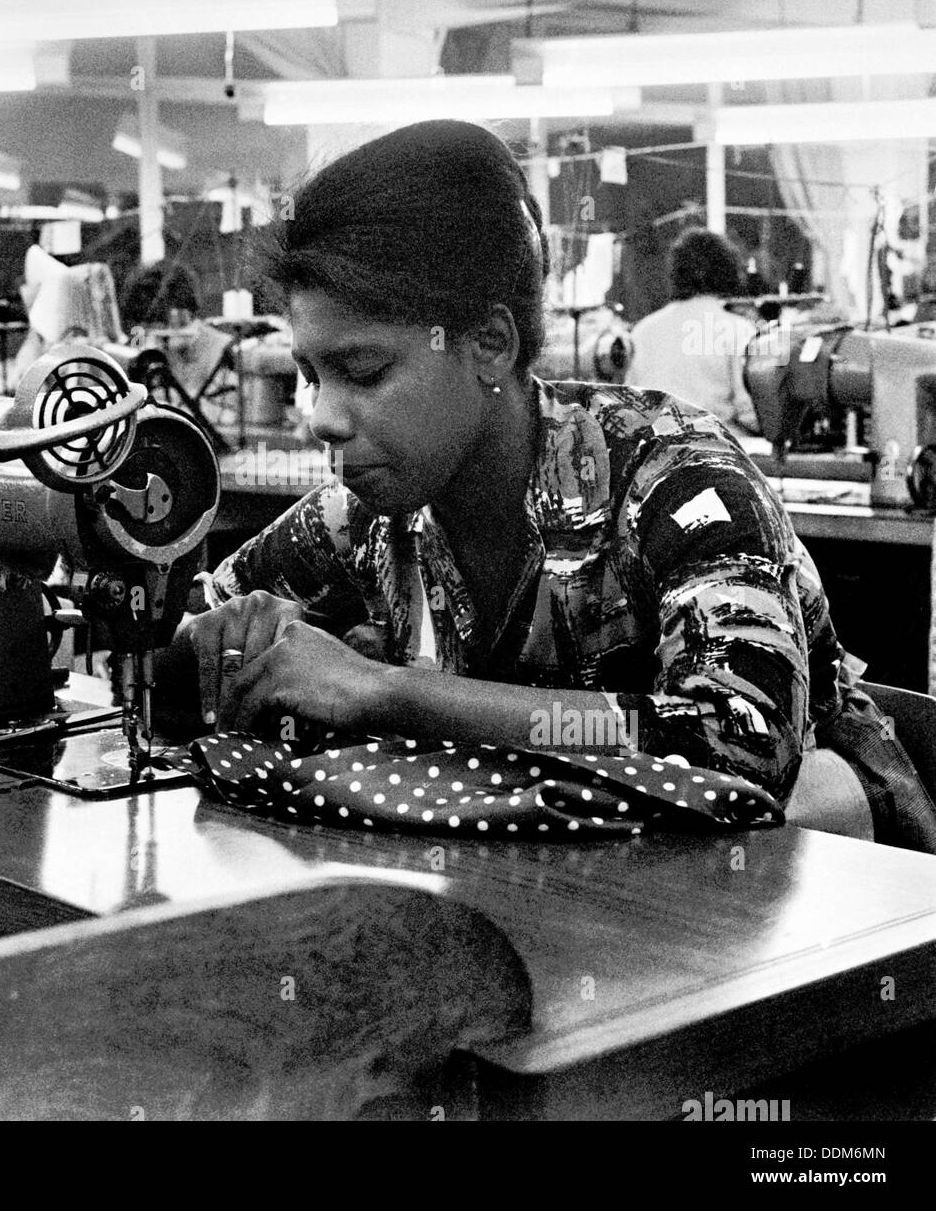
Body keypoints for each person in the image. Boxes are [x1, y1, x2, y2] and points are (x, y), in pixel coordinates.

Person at [158, 120, 936, 853]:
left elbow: (738, 743)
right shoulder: (362, 514)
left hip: (832, 902)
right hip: (564, 893)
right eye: (308, 374)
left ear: (489, 345)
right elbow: (186, 630)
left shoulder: (674, 478)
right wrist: (217, 641)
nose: (322, 417)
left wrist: (383, 691)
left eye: (362, 372)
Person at [625, 226, 759, 433]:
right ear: (728, 271)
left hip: (654, 453)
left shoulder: (642, 331)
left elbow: (630, 408)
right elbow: (751, 414)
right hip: (716, 451)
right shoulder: (738, 329)